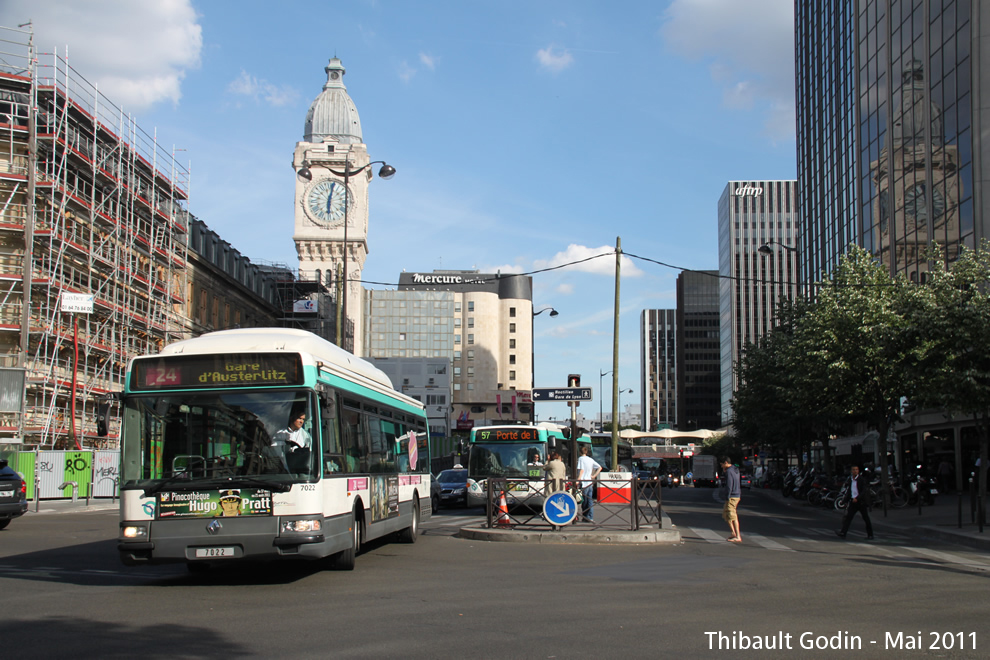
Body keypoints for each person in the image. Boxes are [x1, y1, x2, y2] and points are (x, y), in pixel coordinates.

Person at [837, 465, 874, 540]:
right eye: (853, 470)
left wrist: (857, 498)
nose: (855, 471)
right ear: (851, 471)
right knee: (848, 518)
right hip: (853, 502)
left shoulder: (861, 479)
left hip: (861, 502)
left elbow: (864, 491)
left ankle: (870, 535)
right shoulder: (850, 480)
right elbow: (849, 491)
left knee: (866, 518)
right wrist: (844, 501)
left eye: (856, 470)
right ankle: (843, 533)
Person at [576, 445, 602, 522]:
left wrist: (578, 480)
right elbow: (599, 467)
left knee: (584, 501)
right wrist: (594, 476)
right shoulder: (590, 459)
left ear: (580, 452)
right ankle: (590, 517)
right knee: (589, 500)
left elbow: (581, 471)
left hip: (584, 482)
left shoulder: (580, 459)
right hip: (589, 482)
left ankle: (585, 516)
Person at [719, 457, 742, 543]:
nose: (721, 466)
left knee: (732, 516)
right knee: (727, 515)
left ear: (725, 463)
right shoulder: (735, 470)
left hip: (732, 496)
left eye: (722, 464)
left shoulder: (729, 472)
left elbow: (729, 485)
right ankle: (733, 533)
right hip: (736, 494)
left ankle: (737, 535)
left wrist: (727, 496)